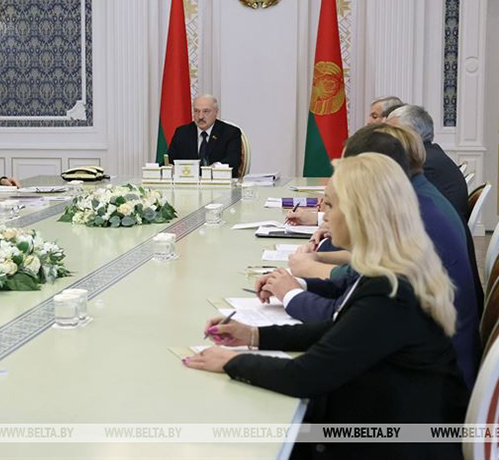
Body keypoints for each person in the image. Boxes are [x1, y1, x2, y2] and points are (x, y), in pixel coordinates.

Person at [185, 153, 468, 459]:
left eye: (330, 204)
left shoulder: (390, 290)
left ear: (360, 213)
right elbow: (340, 328)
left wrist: (231, 362)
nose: (323, 213)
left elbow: (305, 376)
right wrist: (254, 335)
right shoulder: (392, 268)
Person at [262, 126, 480, 389]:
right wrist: (257, 333)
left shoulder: (416, 221)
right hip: (427, 366)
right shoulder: (411, 204)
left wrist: (291, 293)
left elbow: (342, 316)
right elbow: (355, 286)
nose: (326, 212)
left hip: (423, 384)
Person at [387, 104, 468, 223]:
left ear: (412, 133)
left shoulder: (425, 164)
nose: (387, 137)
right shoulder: (432, 155)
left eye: (394, 132)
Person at [166, 94, 242, 176]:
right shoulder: (182, 133)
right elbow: (168, 161)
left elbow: (233, 161)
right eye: (196, 111)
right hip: (188, 182)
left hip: (218, 182)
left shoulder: (230, 133)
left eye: (206, 111)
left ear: (216, 112)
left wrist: (211, 170)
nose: (200, 117)